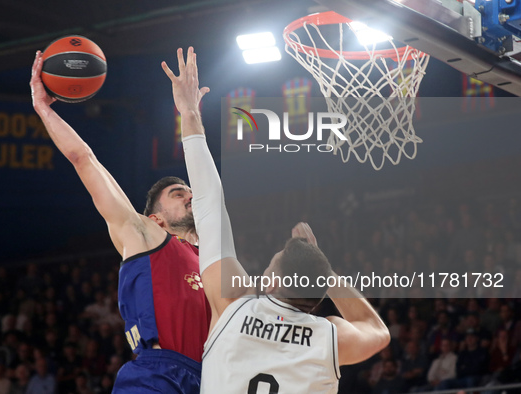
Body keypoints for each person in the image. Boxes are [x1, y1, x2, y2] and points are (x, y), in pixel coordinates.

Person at [162, 46, 390, 393]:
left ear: (269, 282)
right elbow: (377, 331)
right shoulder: (330, 337)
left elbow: (209, 205)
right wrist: (324, 272)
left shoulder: (234, 305)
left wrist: (190, 113)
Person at [30, 51, 210, 393]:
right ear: (155, 218)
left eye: (190, 191)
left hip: (211, 380)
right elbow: (84, 159)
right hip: (159, 375)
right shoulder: (147, 236)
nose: (189, 195)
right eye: (177, 193)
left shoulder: (214, 261)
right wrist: (44, 108)